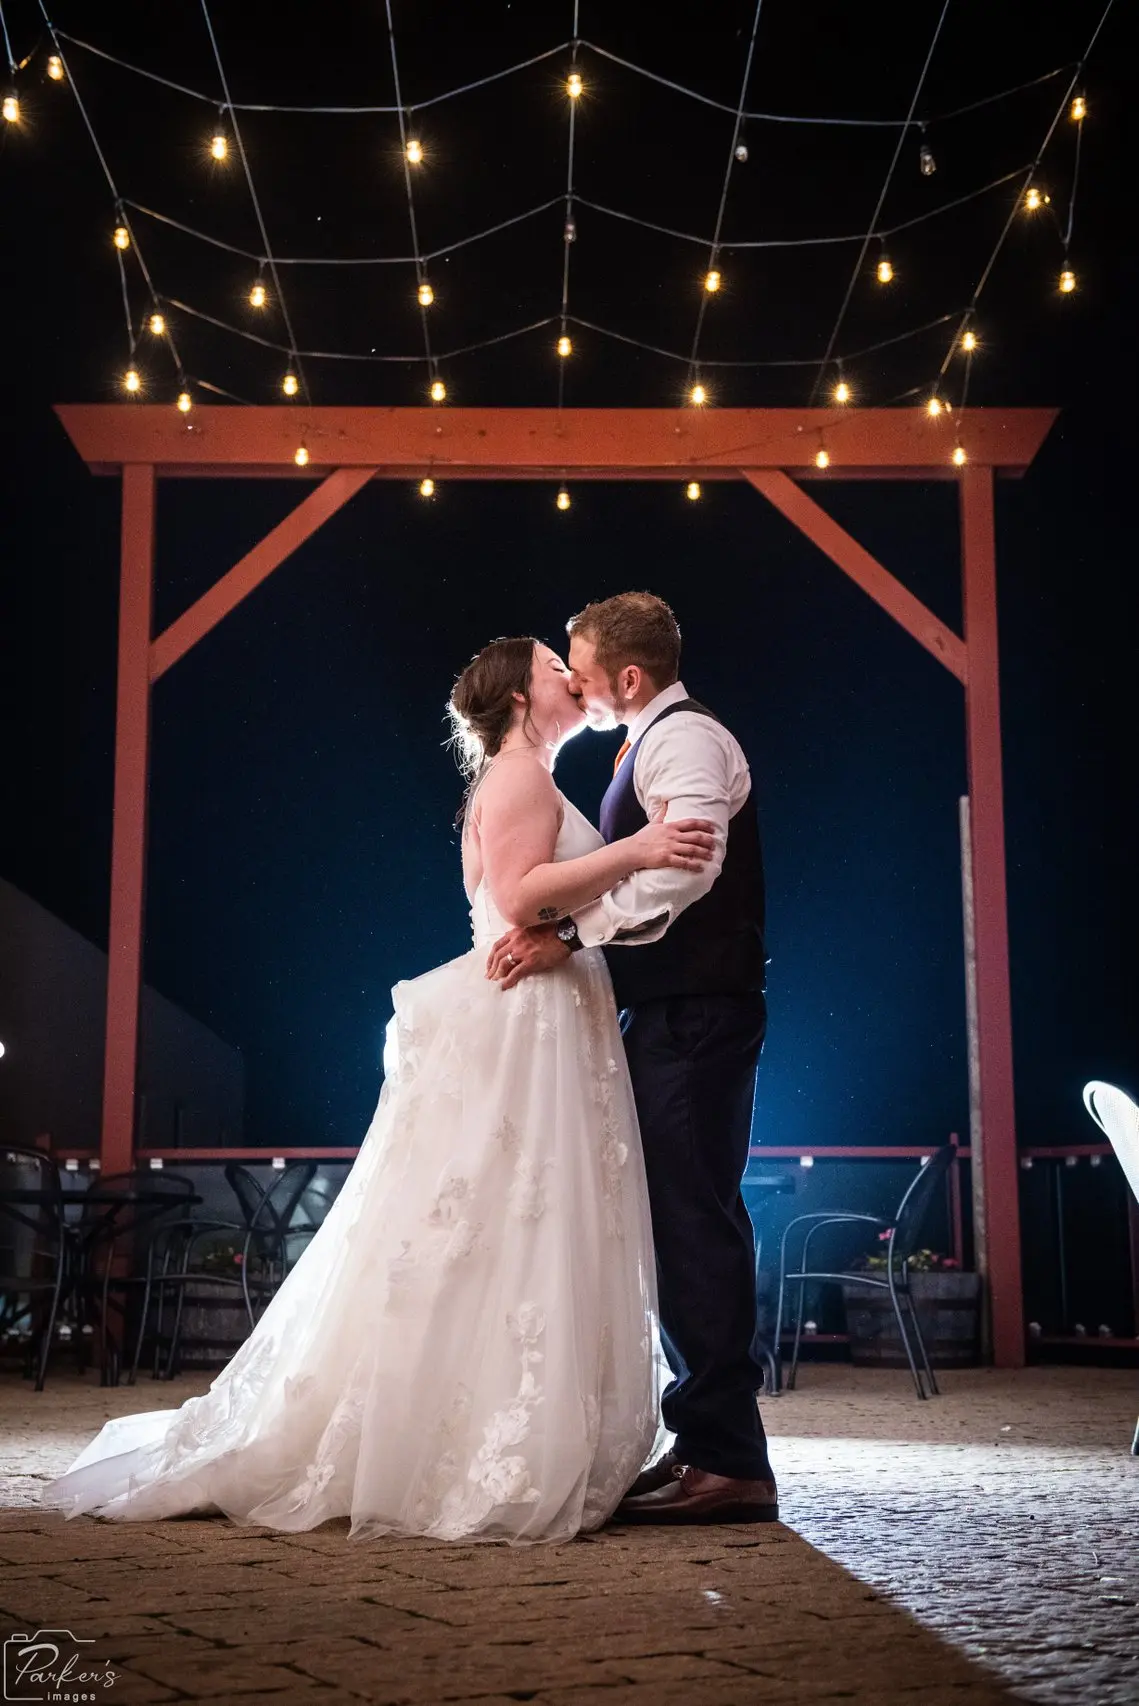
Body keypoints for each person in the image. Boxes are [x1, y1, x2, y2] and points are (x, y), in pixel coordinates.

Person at [41, 637, 718, 1545]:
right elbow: (521, 896)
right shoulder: (519, 775)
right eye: (551, 666)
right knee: (506, 1215)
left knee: (512, 1223)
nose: (567, 674)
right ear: (521, 698)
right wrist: (637, 848)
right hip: (531, 1016)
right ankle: (469, 1436)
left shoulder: (527, 775)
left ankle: (495, 1418)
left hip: (551, 1011)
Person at [487, 593, 778, 1524]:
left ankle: (728, 1461)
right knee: (679, 1216)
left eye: (579, 673)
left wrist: (574, 934)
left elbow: (687, 868)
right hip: (672, 1010)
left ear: (626, 676)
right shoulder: (645, 743)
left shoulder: (684, 739)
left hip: (697, 1010)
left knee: (693, 1219)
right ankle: (703, 1441)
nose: (574, 689)